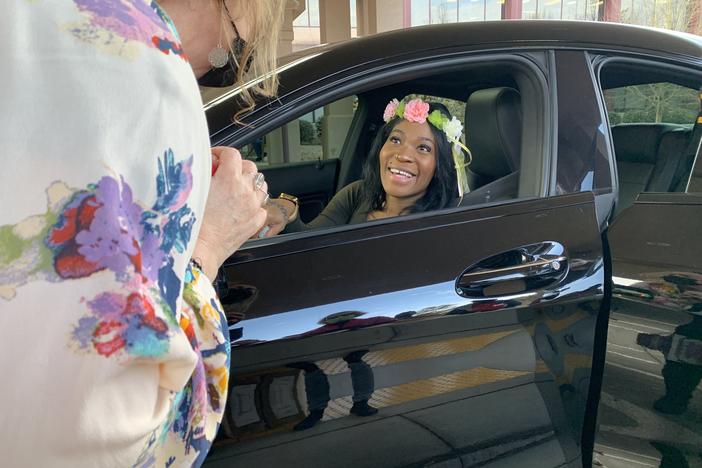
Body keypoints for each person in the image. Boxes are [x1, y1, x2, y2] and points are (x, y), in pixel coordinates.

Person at [0, 1, 284, 466]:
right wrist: (207, 244)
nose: (204, 75)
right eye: (232, 57)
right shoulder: (151, 73)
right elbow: (114, 435)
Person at [262, 98, 470, 235]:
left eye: (424, 148)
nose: (403, 155)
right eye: (396, 140)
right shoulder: (358, 193)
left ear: (439, 165)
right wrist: (286, 207)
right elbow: (308, 241)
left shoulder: (444, 223)